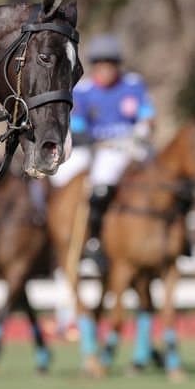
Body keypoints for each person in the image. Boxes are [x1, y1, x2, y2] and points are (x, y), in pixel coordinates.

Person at [59, 33, 155, 266]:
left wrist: (143, 128)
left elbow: (147, 116)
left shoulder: (133, 84)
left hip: (133, 147)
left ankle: (180, 235)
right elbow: (78, 124)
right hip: (104, 150)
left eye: (110, 64)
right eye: (101, 64)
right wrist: (89, 139)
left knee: (166, 178)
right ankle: (95, 239)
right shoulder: (83, 90)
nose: (106, 69)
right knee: (101, 182)